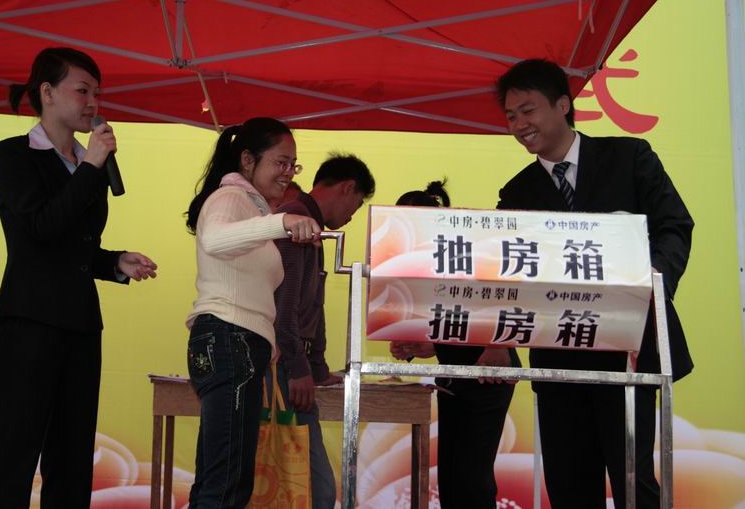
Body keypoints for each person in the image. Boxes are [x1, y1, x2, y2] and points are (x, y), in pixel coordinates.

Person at [495, 58, 693, 508]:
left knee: (633, 482)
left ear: (563, 105)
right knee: (569, 486)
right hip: (558, 359)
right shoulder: (516, 193)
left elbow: (674, 227)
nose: (519, 125)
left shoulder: (629, 157)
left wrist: (650, 287)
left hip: (629, 352)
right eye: (510, 116)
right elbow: (509, 272)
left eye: (527, 110)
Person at [0, 47, 158, 508]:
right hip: (28, 323)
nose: (93, 102)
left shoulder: (85, 162)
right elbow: (40, 228)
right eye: (82, 90)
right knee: (11, 454)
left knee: (73, 458)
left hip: (79, 325)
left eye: (97, 93)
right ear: (48, 92)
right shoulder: (14, 155)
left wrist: (113, 262)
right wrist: (91, 167)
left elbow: (73, 247)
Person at [184, 117, 321, 508]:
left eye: (293, 164)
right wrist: (281, 222)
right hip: (229, 340)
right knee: (226, 484)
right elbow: (215, 239)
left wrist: (267, 337)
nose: (288, 172)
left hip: (236, 342)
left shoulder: (253, 209)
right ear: (247, 160)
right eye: (281, 162)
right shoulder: (231, 197)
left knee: (220, 479)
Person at [389, 180, 519, 509]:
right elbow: (458, 322)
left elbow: (501, 295)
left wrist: (496, 346)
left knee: (473, 474)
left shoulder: (467, 250)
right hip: (453, 375)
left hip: (489, 373)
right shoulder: (421, 262)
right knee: (452, 473)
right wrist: (426, 346)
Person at [272, 153, 375, 509]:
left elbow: (312, 304)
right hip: (281, 365)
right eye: (356, 205)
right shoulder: (297, 221)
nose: (351, 216)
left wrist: (316, 367)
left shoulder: (310, 224)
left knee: (312, 489)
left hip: (293, 364)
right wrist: (299, 367)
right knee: (316, 491)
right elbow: (284, 306)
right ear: (347, 188)